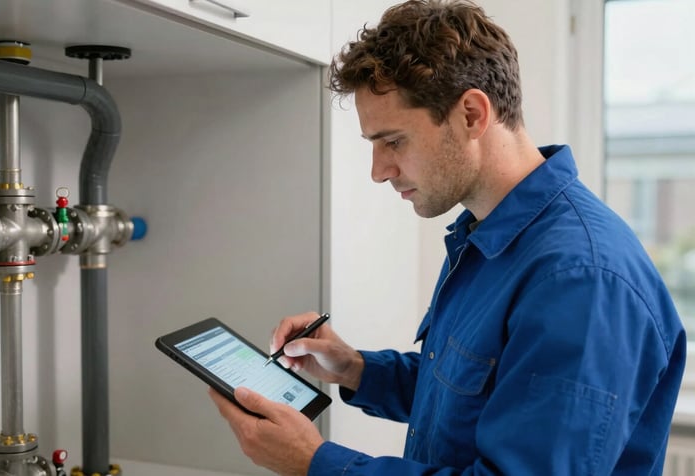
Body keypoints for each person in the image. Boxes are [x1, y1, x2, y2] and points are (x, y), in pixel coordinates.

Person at [208, 0, 687, 474]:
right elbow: (472, 394)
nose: (379, 171)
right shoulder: (485, 238)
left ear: (473, 115)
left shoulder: (581, 280)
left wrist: (315, 463)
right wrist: (355, 369)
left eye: (393, 141)